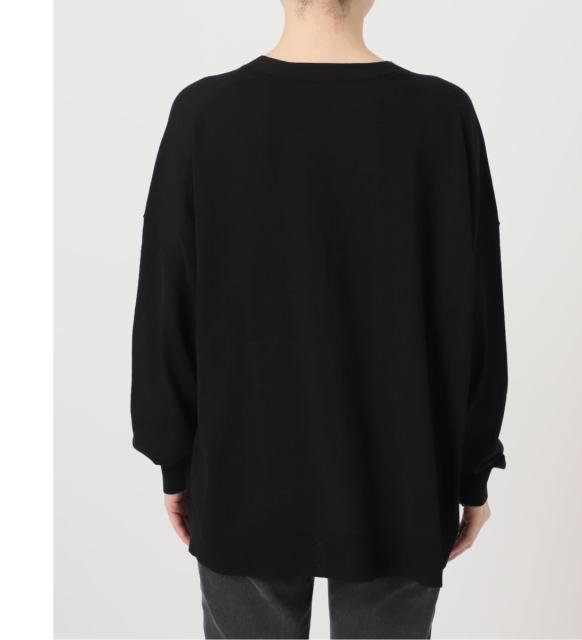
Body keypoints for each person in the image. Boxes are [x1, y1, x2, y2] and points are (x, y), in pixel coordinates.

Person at [131, 0, 508, 637]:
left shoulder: (205, 114)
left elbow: (167, 304)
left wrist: (176, 459)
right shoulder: (442, 116)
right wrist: (471, 471)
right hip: (400, 478)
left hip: (242, 472)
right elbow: (474, 314)